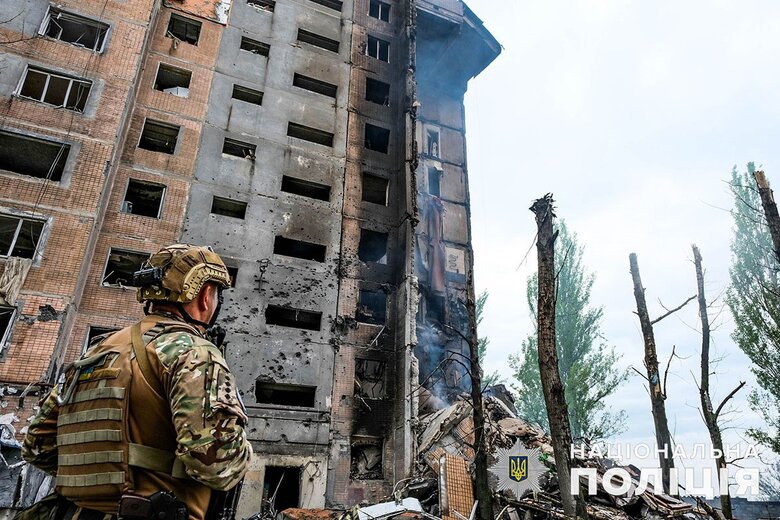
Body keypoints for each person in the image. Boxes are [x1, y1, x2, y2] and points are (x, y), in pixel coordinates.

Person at [21, 244, 252, 520]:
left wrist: (98, 476)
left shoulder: (97, 350)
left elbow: (37, 446)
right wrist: (244, 454)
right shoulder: (193, 353)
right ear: (205, 296)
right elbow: (215, 465)